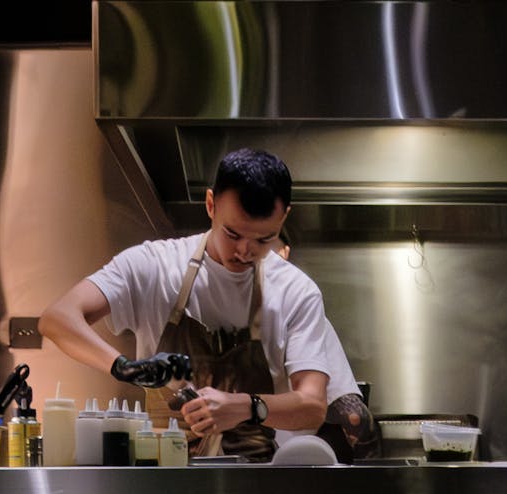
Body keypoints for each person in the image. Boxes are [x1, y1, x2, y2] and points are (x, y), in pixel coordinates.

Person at [39, 148, 331, 462]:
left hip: (253, 480)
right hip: (164, 475)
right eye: (232, 234)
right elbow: (57, 319)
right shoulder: (153, 265)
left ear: (284, 216)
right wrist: (123, 367)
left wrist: (247, 406)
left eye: (263, 239)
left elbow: (313, 407)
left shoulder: (296, 291)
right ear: (211, 205)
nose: (245, 251)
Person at [274, 231, 378, 461]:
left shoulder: (302, 310)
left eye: (264, 244)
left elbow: (353, 416)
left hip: (286, 460)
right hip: (292, 461)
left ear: (284, 254)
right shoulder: (300, 311)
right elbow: (356, 418)